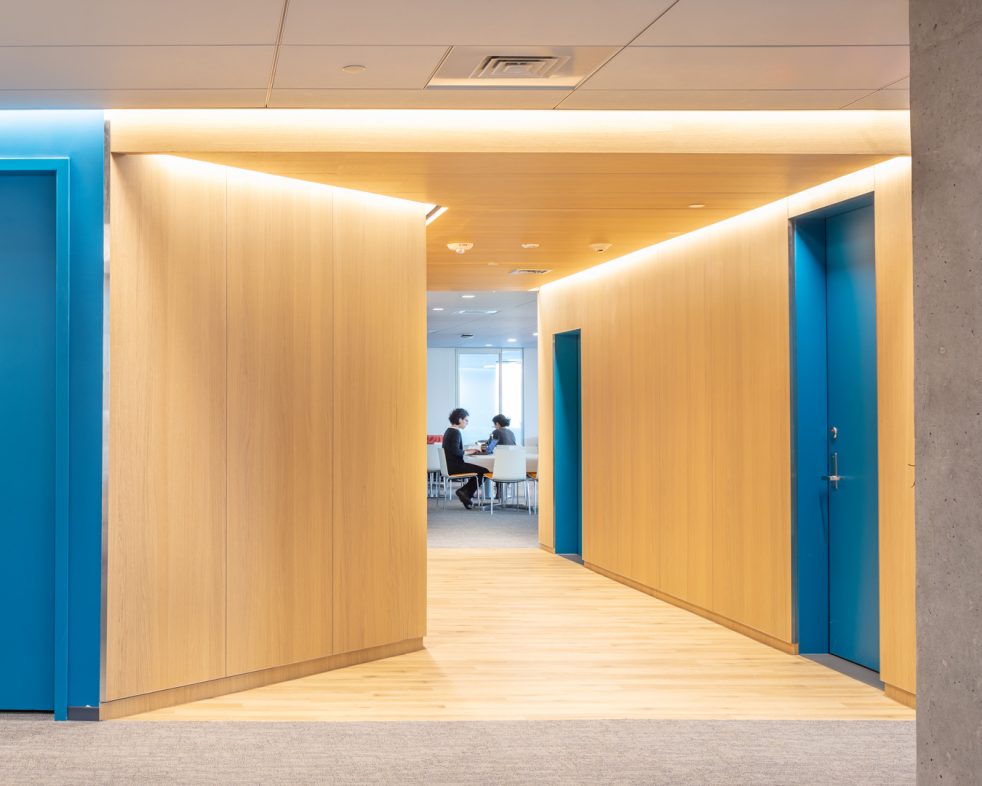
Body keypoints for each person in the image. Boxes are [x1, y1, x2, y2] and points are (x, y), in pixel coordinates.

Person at [442, 408, 487, 509]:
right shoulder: (455, 432)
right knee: (484, 471)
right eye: (466, 420)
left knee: (480, 471)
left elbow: (454, 449)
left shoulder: (449, 431)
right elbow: (456, 451)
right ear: (459, 419)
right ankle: (464, 493)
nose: (467, 422)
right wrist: (469, 451)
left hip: (450, 465)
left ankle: (466, 494)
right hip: (455, 466)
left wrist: (468, 451)